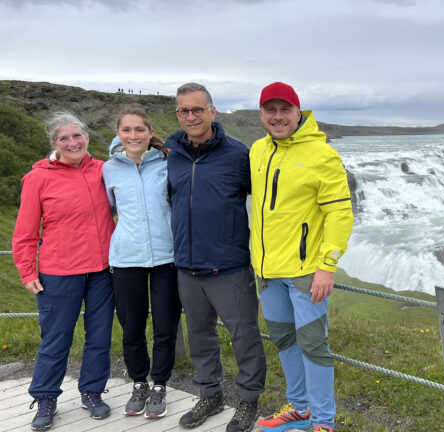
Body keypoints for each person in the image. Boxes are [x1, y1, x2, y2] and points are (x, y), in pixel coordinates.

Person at [164, 82, 267, 432]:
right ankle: (210, 395)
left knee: (245, 337)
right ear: (178, 114)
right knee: (200, 335)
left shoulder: (238, 154)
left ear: (212, 111)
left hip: (230, 267)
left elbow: (271, 200)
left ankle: (248, 401)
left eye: (197, 109)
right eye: (183, 111)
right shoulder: (172, 153)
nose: (190, 116)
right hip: (187, 267)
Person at [252, 82, 354, 432]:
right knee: (284, 341)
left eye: (285, 110)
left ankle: (324, 422)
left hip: (306, 273)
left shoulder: (321, 154)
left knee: (313, 345)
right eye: (271, 110)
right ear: (262, 114)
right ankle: (300, 409)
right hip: (267, 273)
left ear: (299, 113)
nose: (278, 117)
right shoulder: (257, 151)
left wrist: (327, 266)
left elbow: (340, 214)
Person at [12, 112, 116, 430]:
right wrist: (27, 271)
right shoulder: (38, 178)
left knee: (99, 337)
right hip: (59, 272)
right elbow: (26, 231)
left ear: (86, 137)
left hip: (102, 271)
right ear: (54, 144)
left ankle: (92, 392)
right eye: (64, 138)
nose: (72, 142)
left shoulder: (104, 170)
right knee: (56, 339)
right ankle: (45, 397)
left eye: (77, 136)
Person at [102, 107, 182, 419]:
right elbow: (107, 210)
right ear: (118, 134)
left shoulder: (166, 162)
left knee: (165, 326)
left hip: (166, 257)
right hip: (126, 259)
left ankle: (160, 384)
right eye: (127, 130)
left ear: (150, 133)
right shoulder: (109, 169)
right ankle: (139, 382)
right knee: (131, 327)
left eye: (139, 130)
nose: (133, 136)